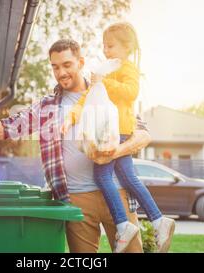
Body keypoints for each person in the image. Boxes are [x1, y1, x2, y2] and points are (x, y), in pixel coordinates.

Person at [0, 38, 150, 253]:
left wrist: (114, 152)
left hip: (117, 191)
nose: (61, 72)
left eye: (66, 65)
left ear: (81, 62)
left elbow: (142, 135)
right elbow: (0, 130)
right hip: (76, 198)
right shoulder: (47, 107)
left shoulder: (108, 92)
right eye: (55, 67)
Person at [61, 22, 175, 253]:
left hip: (118, 129)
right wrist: (70, 118)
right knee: (128, 176)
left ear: (127, 47)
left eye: (111, 46)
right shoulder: (107, 68)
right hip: (110, 128)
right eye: (104, 46)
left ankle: (124, 224)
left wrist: (105, 81)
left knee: (102, 175)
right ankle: (158, 220)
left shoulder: (127, 68)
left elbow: (131, 92)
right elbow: (86, 99)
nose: (106, 50)